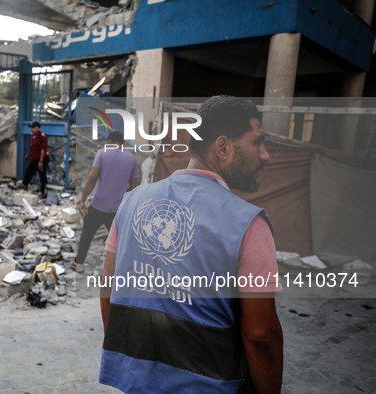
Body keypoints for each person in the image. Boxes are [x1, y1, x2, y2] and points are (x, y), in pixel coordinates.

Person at [100, 96, 283, 393]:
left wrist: (135, 362)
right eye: (257, 142)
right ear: (222, 147)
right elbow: (261, 336)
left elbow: (108, 293)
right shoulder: (249, 224)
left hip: (136, 381)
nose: (265, 156)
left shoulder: (132, 202)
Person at [74, 131, 139, 273]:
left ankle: (79, 263)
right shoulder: (131, 159)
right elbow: (134, 186)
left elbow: (93, 176)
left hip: (98, 205)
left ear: (109, 141)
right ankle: (121, 269)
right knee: (118, 241)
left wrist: (83, 199)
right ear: (122, 143)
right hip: (117, 208)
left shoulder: (102, 153)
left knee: (87, 235)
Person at [20, 121, 49, 197]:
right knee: (29, 171)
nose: (31, 129)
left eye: (33, 128)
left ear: (37, 128)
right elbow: (32, 148)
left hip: (42, 159)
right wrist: (27, 155)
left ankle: (44, 193)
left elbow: (43, 149)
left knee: (42, 176)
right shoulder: (33, 136)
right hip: (34, 159)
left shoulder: (42, 137)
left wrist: (41, 161)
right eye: (31, 128)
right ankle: (24, 184)